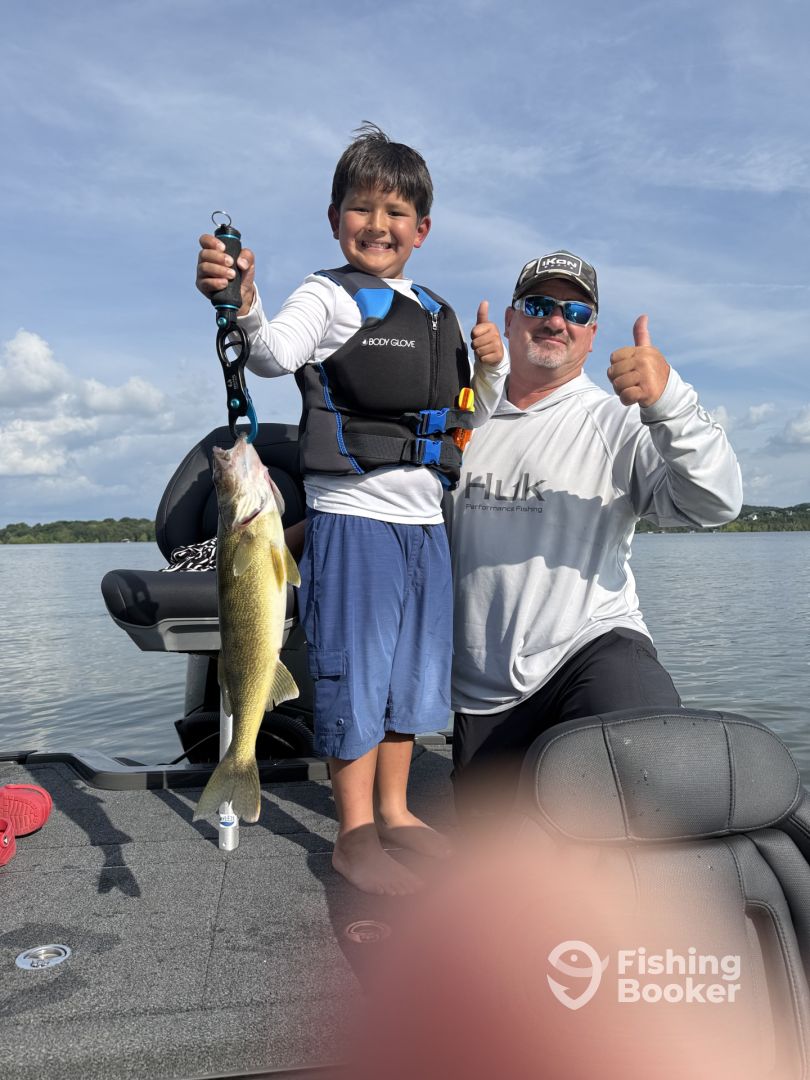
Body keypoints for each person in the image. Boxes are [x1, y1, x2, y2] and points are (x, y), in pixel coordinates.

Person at [196, 124, 508, 893]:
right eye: (362, 209)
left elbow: (472, 417)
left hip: (425, 526)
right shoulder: (326, 295)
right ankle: (354, 834)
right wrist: (241, 302)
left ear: (422, 229)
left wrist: (492, 370)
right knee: (356, 678)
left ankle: (396, 812)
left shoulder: (434, 311)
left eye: (396, 212)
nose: (378, 225)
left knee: (410, 681)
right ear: (336, 219)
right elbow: (271, 353)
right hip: (355, 517)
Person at [446, 249, 743, 812]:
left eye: (576, 312)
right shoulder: (463, 420)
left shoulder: (619, 421)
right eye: (539, 305)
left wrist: (671, 404)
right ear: (510, 319)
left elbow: (716, 503)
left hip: (589, 649)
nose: (557, 321)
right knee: (493, 847)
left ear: (591, 334)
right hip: (483, 689)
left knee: (655, 768)